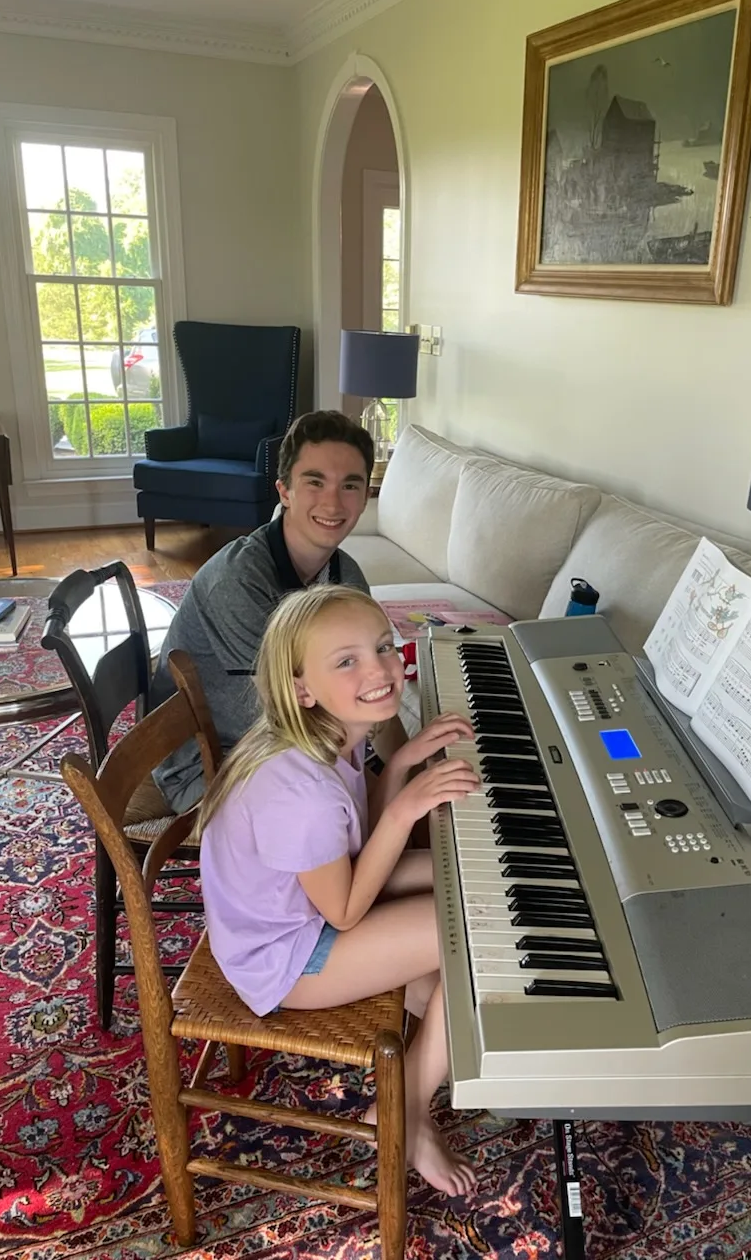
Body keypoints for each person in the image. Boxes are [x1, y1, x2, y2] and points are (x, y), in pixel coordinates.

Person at [196, 584, 480, 1197]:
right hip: (285, 958)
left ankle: (439, 1013)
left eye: (383, 646)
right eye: (346, 660)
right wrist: (405, 808)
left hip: (306, 909)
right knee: (472, 935)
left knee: (464, 879)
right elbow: (346, 911)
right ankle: (403, 1112)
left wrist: (399, 767)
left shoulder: (330, 736)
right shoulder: (301, 792)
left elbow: (357, 840)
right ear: (302, 688)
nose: (379, 669)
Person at [151, 410, 399, 813]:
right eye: (315, 482)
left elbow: (371, 688)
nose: (333, 502)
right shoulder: (238, 581)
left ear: (365, 495)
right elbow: (294, 716)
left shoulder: (346, 575)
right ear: (284, 491)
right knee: (383, 821)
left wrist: (408, 763)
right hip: (212, 765)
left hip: (288, 745)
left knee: (420, 808)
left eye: (350, 485)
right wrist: (391, 787)